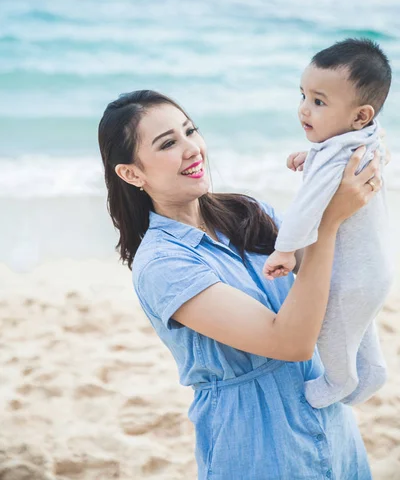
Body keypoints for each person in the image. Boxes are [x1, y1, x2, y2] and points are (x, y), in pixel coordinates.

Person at [98, 89, 382, 480]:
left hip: (332, 427)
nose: (192, 149)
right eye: (168, 143)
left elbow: (331, 270)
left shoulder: (248, 211)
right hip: (256, 441)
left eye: (190, 131)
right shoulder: (162, 264)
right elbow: (291, 342)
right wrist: (328, 223)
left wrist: (336, 167)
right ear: (132, 173)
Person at [263, 39, 393, 410]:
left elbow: (304, 208)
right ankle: (372, 371)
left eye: (319, 102)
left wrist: (285, 250)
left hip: (349, 276)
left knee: (331, 328)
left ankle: (339, 379)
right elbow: (343, 154)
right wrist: (313, 154)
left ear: (360, 115)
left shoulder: (333, 158)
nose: (304, 110)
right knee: (357, 326)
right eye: (303, 96)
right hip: (375, 269)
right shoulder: (367, 138)